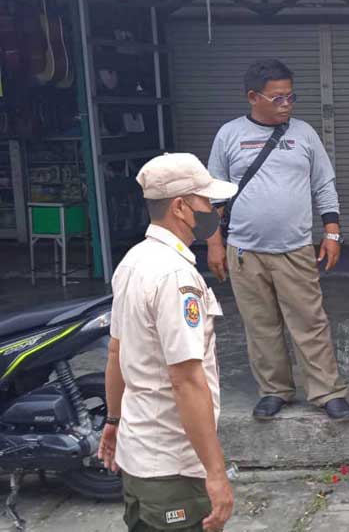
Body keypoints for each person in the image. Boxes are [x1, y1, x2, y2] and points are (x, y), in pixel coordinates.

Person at [206, 59, 349, 422]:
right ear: (253, 97)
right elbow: (211, 195)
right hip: (243, 250)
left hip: (296, 249)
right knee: (260, 324)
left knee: (310, 322)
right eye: (277, 98)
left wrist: (332, 233)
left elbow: (324, 185)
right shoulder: (229, 135)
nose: (286, 104)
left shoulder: (303, 134)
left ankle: (326, 391)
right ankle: (275, 390)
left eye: (290, 97)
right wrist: (213, 243)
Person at [98, 153, 237, 532]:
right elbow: (187, 380)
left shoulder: (134, 261)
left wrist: (113, 420)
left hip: (139, 457)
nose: (214, 212)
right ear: (180, 207)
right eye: (206, 202)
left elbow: (117, 351)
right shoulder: (177, 277)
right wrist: (216, 474)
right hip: (174, 467)